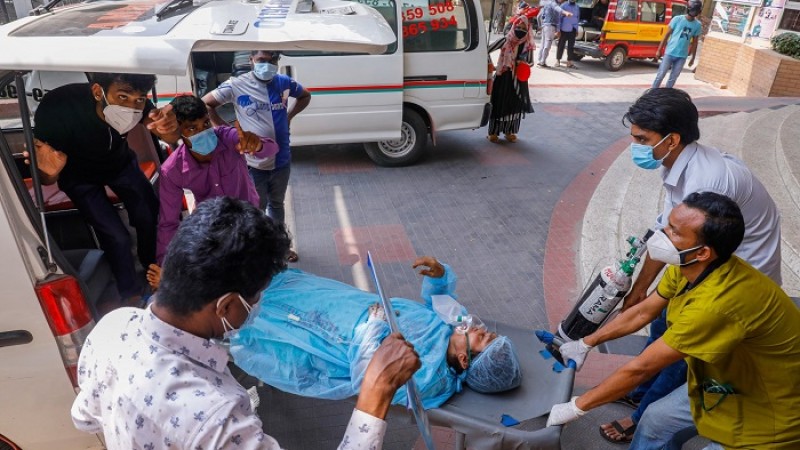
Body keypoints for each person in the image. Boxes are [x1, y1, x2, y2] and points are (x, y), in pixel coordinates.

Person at [71, 196, 422, 449]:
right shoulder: (216, 417)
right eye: (256, 297)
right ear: (225, 305)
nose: (259, 304)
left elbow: (84, 417)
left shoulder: (111, 329)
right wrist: (373, 398)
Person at [547, 192, 800, 450]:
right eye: (668, 225)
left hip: (771, 403)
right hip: (724, 381)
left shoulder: (717, 306)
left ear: (702, 252)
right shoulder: (687, 269)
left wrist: (576, 408)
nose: (662, 234)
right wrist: (586, 343)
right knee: (656, 421)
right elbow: (644, 311)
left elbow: (641, 368)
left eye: (674, 232)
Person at [599, 87, 782, 444]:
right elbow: (666, 234)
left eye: (641, 138)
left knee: (679, 345)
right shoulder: (681, 163)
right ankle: (641, 391)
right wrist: (639, 291)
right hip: (704, 257)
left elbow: (677, 241)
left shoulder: (705, 180)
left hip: (738, 270)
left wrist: (641, 296)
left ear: (672, 140)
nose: (633, 144)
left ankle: (643, 414)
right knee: (661, 320)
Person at [230, 256, 522, 409]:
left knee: (257, 318)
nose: (478, 327)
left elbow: (368, 380)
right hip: (336, 301)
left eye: (482, 337)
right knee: (273, 287)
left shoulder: (426, 377)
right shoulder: (447, 330)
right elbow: (442, 306)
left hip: (318, 338)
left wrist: (373, 330)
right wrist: (439, 276)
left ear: (465, 359)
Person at [31, 73, 179, 306]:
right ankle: (129, 291)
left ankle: (153, 269)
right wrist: (51, 171)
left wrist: (169, 129)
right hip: (77, 174)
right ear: (98, 92)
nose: (130, 107)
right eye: (122, 97)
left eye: (138, 100)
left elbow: (167, 134)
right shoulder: (58, 109)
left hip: (119, 164)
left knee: (149, 214)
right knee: (115, 235)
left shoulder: (139, 104)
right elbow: (47, 177)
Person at [203, 50, 311, 263]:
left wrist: (289, 116)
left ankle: (280, 247)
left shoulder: (284, 82)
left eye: (272, 60)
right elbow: (206, 104)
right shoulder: (236, 84)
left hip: (282, 159)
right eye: (262, 60)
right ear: (251, 60)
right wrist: (226, 132)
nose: (267, 64)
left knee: (277, 205)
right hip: (253, 164)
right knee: (254, 209)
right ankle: (257, 252)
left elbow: (305, 95)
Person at [153, 95, 278, 267]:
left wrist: (257, 145)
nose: (202, 131)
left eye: (205, 124)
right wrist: (165, 265)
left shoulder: (228, 138)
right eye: (192, 128)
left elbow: (270, 148)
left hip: (249, 219)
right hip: (212, 228)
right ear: (180, 132)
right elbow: (168, 222)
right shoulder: (173, 169)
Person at [487, 15, 536, 143]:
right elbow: (487, 50)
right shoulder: (505, 40)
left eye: (523, 28)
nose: (520, 29)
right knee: (499, 102)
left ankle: (510, 131)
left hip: (518, 80)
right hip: (503, 77)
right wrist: (491, 64)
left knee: (514, 104)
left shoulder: (528, 44)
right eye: (518, 26)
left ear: (528, 29)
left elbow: (531, 62)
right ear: (513, 26)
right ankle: (493, 132)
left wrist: (522, 62)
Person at [652, 0, 703, 88]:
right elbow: (666, 35)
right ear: (689, 9)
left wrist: (692, 58)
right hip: (670, 53)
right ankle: (652, 93)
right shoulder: (677, 19)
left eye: (696, 11)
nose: (694, 12)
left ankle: (666, 95)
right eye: (693, 10)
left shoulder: (697, 25)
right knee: (660, 75)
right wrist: (659, 50)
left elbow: (695, 42)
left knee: (673, 78)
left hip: (682, 56)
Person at [537, 0, 574, 68]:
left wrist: (540, 25)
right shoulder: (553, 3)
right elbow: (558, 9)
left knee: (543, 44)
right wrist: (565, 12)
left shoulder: (547, 3)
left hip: (545, 26)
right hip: (550, 26)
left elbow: (540, 15)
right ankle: (542, 62)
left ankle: (540, 61)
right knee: (547, 44)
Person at [555, 0, 580, 68]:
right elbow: (559, 18)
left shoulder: (577, 7)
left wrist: (577, 29)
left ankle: (569, 62)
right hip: (564, 29)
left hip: (573, 29)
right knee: (561, 45)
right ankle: (558, 60)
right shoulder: (564, 5)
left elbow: (577, 19)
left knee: (571, 46)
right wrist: (558, 30)